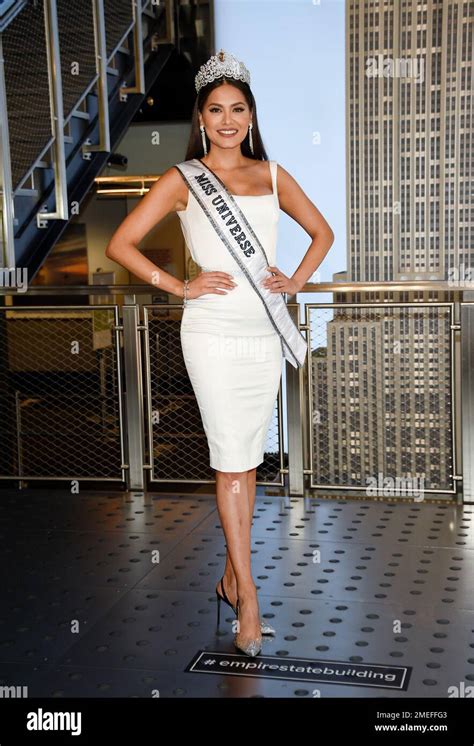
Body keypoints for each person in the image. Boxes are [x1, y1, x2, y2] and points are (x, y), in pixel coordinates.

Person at [105, 49, 334, 657]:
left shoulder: (274, 175)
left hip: (262, 332)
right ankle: (250, 597)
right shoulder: (183, 179)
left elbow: (323, 233)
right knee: (230, 460)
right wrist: (180, 286)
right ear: (201, 118)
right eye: (216, 110)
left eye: (238, 109)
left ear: (250, 116)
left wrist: (297, 281)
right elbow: (122, 245)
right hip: (210, 332)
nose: (228, 120)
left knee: (246, 461)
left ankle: (232, 577)